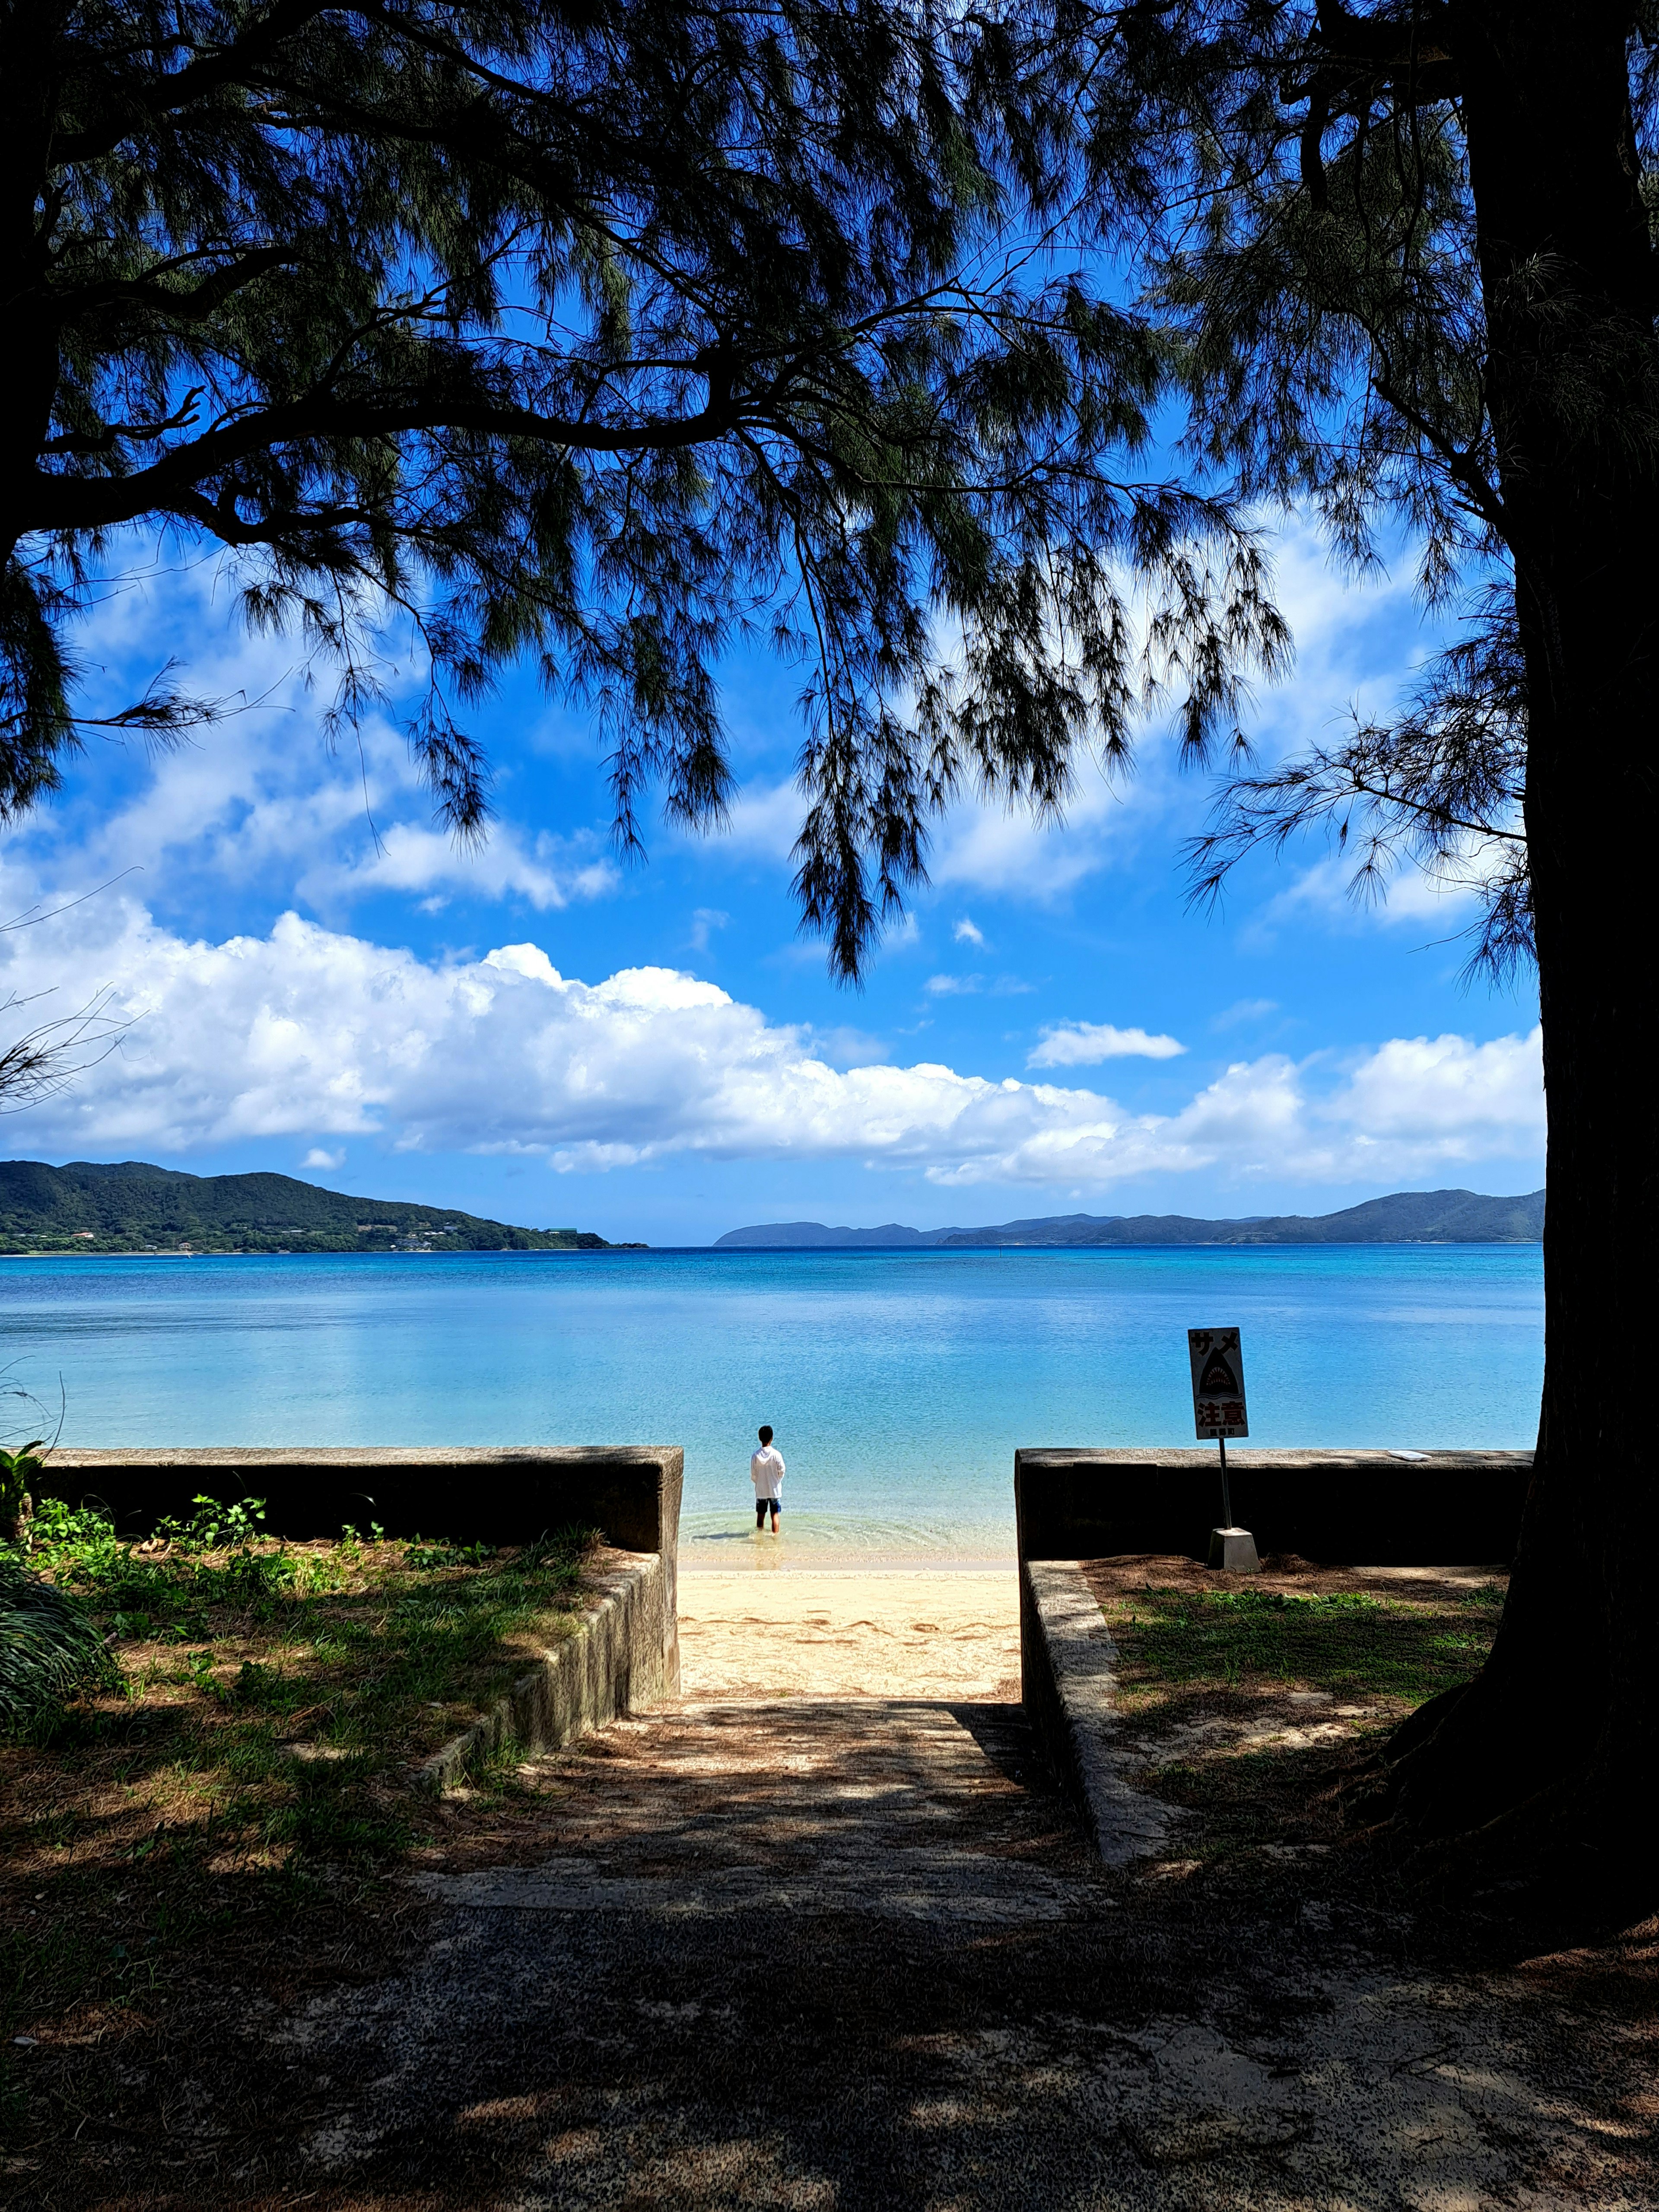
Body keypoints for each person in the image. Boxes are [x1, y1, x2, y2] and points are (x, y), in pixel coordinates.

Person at [750, 1425, 785, 1532]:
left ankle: (760, 1537)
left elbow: (753, 1474)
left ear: (760, 1438)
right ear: (772, 1438)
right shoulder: (776, 1455)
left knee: (761, 1515)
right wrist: (777, 1480)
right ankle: (775, 1537)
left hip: (761, 1490)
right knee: (775, 1514)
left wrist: (759, 1483)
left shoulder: (756, 1456)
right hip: (774, 1490)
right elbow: (782, 1471)